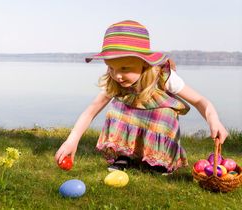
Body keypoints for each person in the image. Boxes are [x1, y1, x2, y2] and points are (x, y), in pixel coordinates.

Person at [54, 20, 228, 173]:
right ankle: (124, 154)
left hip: (157, 122)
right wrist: (72, 140)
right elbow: (91, 111)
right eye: (111, 68)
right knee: (118, 106)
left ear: (145, 63)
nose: (117, 76)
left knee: (165, 112)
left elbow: (199, 101)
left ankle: (158, 159)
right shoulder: (115, 82)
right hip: (131, 120)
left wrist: (214, 120)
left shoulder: (163, 77)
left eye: (124, 68)